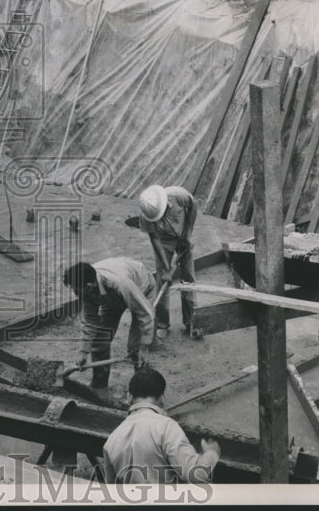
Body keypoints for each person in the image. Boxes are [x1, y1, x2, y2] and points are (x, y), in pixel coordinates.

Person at [102, 367, 220, 485]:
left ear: (129, 397)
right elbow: (197, 475)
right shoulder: (167, 427)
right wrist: (211, 454)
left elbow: (112, 489)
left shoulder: (112, 439)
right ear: (163, 398)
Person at [62, 257, 156, 391]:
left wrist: (144, 345)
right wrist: (83, 351)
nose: (75, 294)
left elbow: (144, 314)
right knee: (99, 341)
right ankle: (99, 384)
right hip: (110, 298)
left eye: (76, 290)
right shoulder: (86, 289)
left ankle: (142, 390)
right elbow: (90, 320)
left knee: (135, 347)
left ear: (88, 286)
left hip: (142, 289)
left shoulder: (120, 283)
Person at [138, 184, 200, 340]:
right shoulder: (146, 214)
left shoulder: (178, 195)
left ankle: (192, 321)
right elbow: (155, 239)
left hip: (183, 234)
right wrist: (167, 268)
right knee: (162, 280)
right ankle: (162, 324)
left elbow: (194, 206)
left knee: (189, 279)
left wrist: (188, 234)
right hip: (164, 241)